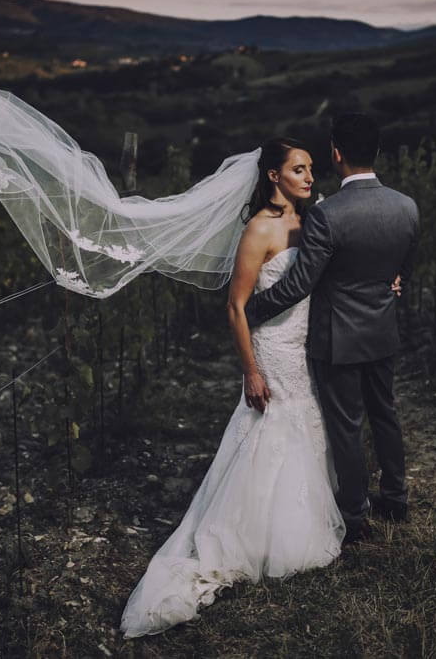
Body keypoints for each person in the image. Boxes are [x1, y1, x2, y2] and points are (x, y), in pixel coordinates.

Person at [120, 137, 347, 638]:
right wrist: (251, 370)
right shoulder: (258, 229)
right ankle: (255, 537)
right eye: (299, 169)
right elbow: (236, 306)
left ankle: (302, 518)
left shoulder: (313, 221)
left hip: (304, 343)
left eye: (311, 169)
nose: (310, 177)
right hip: (271, 347)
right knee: (271, 428)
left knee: (307, 424)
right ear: (274, 176)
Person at [244, 114, 419, 542]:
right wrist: (394, 282)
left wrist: (248, 311)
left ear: (336, 154)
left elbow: (299, 284)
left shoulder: (327, 214)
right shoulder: (406, 206)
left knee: (346, 425)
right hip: (382, 330)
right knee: (385, 414)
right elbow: (403, 268)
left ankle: (355, 515)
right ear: (376, 152)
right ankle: (395, 498)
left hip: (337, 337)